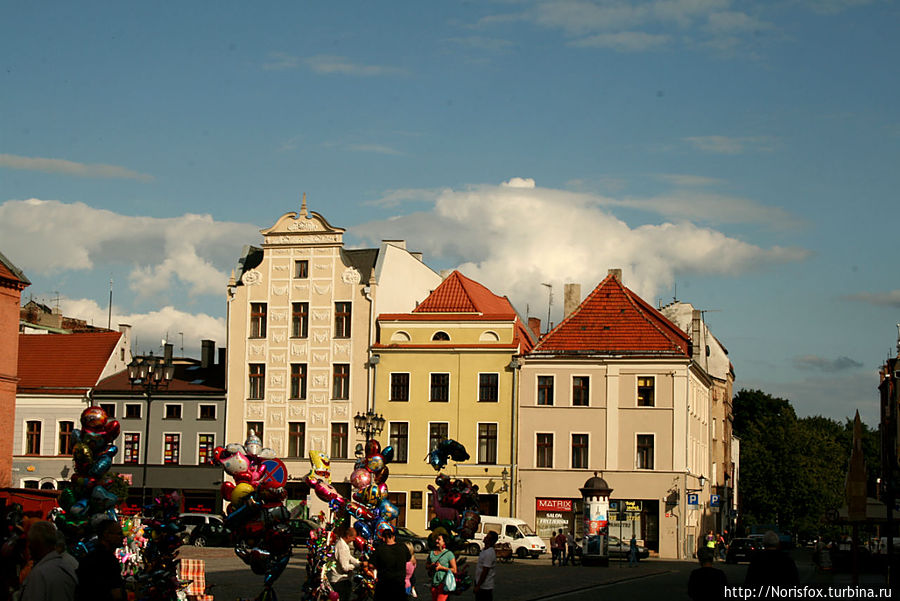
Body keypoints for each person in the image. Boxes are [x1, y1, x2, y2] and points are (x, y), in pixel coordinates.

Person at [19, 521, 77, 601]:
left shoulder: (40, 574)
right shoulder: (67, 567)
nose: (29, 547)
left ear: (38, 544)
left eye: (31, 542)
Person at [75, 519, 125, 601]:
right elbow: (116, 595)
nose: (122, 537)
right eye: (119, 534)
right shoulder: (109, 560)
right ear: (106, 535)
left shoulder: (88, 558)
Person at [367, 526, 411, 601]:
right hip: (399, 584)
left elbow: (371, 565)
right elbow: (408, 559)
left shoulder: (380, 549)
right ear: (393, 537)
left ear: (383, 538)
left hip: (384, 584)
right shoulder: (403, 547)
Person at [328, 525, 360, 601]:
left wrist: (359, 563)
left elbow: (349, 557)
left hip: (342, 579)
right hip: (339, 580)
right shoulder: (341, 546)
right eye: (353, 538)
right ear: (348, 536)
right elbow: (344, 567)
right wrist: (355, 566)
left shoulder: (344, 545)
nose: (354, 540)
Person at [426, 533, 456, 601]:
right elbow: (426, 566)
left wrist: (441, 568)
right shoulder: (432, 553)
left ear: (444, 542)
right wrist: (431, 566)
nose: (436, 540)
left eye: (439, 539)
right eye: (436, 539)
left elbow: (454, 570)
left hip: (443, 584)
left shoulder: (449, 554)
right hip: (434, 583)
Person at [474, 531, 497, 601]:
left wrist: (478, 585)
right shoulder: (484, 550)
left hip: (485, 586)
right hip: (481, 584)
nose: (485, 538)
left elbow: (485, 570)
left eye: (487, 537)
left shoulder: (489, 553)